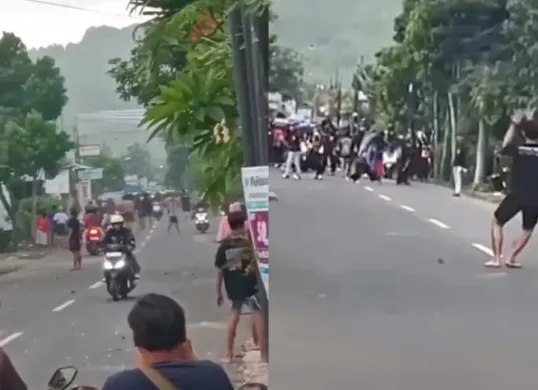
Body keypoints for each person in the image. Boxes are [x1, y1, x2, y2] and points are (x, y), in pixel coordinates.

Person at [102, 293, 234, 390]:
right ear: (183, 339)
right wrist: (194, 360)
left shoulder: (120, 385)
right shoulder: (213, 375)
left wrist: (144, 369)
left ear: (138, 343)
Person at [488, 109, 538, 268]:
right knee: (527, 229)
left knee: (497, 222)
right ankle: (512, 257)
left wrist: (515, 124)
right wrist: (530, 122)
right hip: (535, 198)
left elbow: (505, 143)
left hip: (516, 195)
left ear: (524, 133)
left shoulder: (518, 148)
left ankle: (496, 258)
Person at [215, 211, 266, 363]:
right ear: (243, 224)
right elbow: (257, 266)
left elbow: (220, 271)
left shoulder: (225, 246)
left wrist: (218, 292)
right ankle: (263, 355)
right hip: (251, 285)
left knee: (234, 316)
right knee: (258, 316)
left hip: (234, 287)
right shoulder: (250, 243)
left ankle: (228, 354)